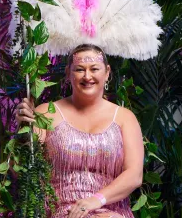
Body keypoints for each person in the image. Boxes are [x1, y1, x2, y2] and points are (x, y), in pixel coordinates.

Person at [16, 44, 144, 218]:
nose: (87, 76)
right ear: (68, 73)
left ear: (107, 72)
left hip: (111, 212)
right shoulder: (45, 113)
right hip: (59, 211)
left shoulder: (124, 118)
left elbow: (134, 175)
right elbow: (21, 170)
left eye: (94, 69)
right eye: (79, 69)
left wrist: (95, 201)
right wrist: (23, 130)